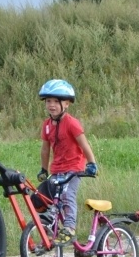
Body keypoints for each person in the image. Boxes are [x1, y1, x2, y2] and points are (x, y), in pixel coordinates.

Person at [37, 79, 98, 244]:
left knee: (66, 195)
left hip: (73, 169)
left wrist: (91, 164)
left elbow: (84, 144)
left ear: (67, 103)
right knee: (39, 198)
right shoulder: (47, 125)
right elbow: (45, 149)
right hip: (56, 170)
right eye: (48, 101)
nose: (51, 105)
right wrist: (44, 170)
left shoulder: (71, 123)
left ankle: (69, 227)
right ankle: (48, 227)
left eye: (56, 101)